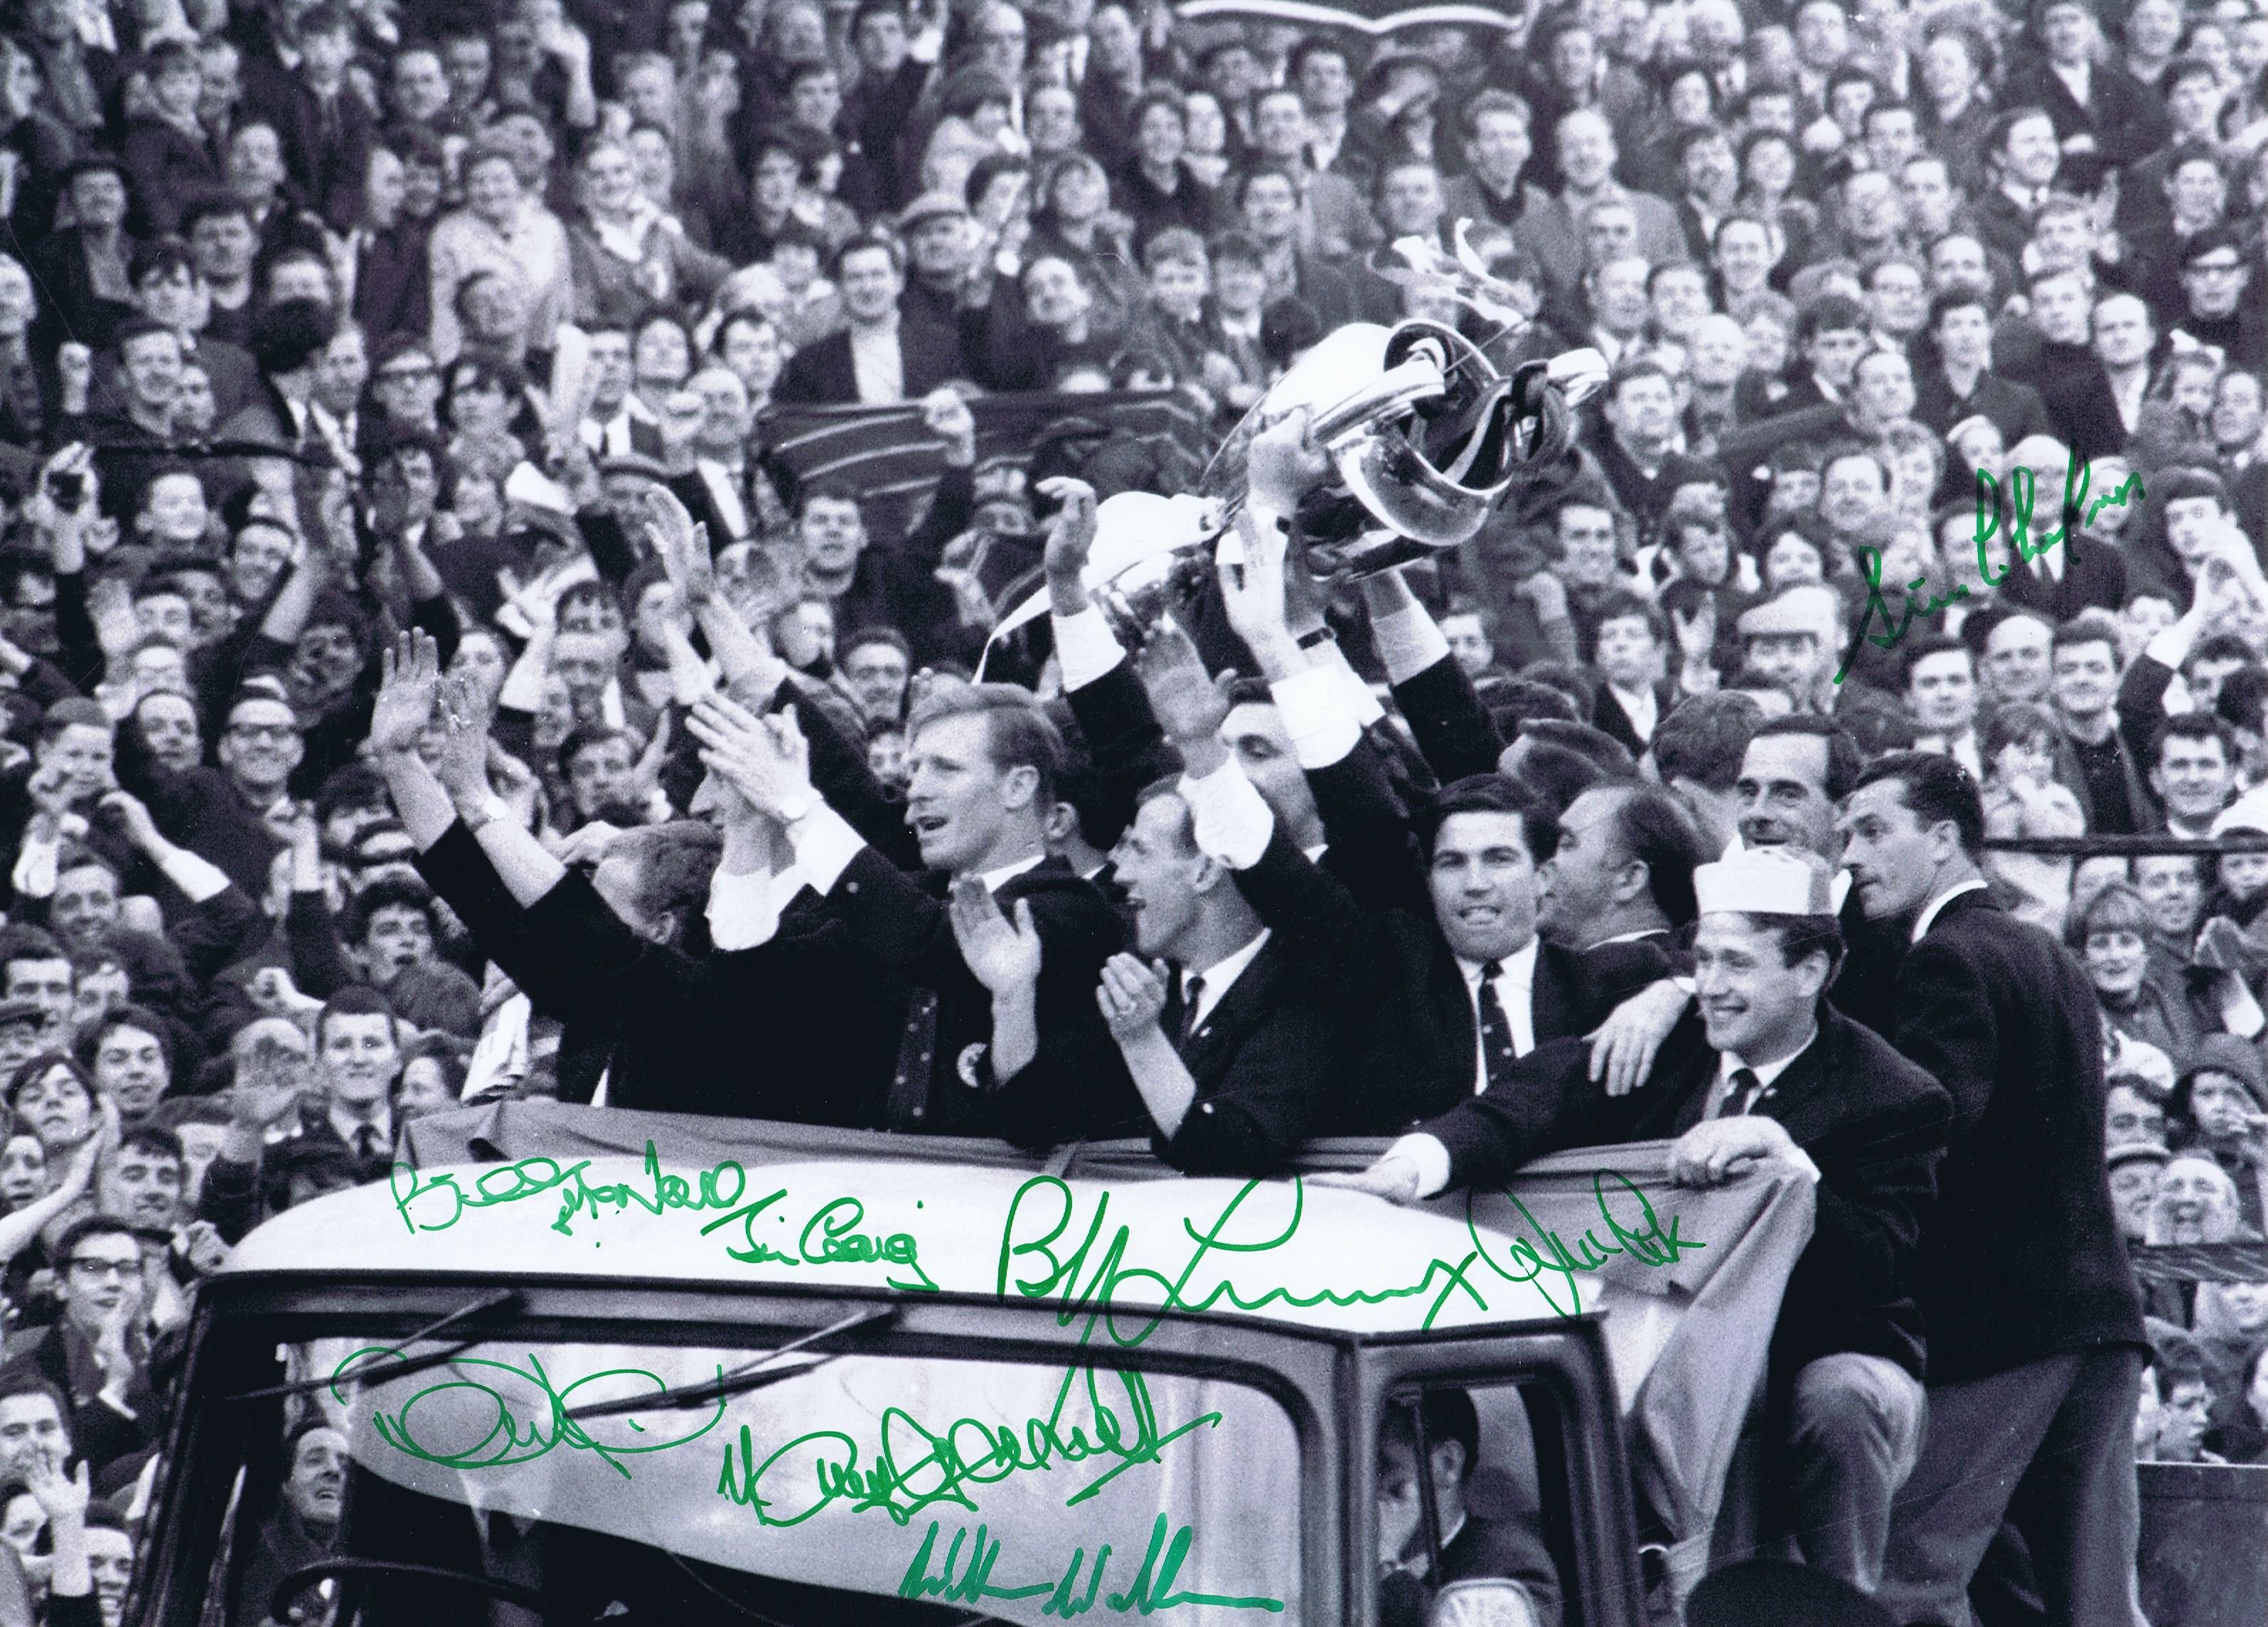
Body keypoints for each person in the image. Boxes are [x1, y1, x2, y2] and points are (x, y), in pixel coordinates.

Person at [1329, 846, 1952, 1589]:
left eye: (1737, 966)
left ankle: (1837, 1602)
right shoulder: (1666, 1038)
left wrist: (1785, 1159)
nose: (1711, 988)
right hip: (1652, 1346)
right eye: (1703, 961)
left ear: (1808, 973)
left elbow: (1874, 1265)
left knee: (1841, 1397)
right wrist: (1414, 1166)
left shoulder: (1891, 1092)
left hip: (1812, 1350)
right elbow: (1533, 1099)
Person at [1829, 754, 2149, 1625]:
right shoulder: (2043, 949)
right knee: (2093, 1602)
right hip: (2101, 1319)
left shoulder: (1945, 957)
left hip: (2002, 1330)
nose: (1849, 856)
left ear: (1942, 839)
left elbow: (1929, 1129)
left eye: (1870, 830)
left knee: (1908, 1575)